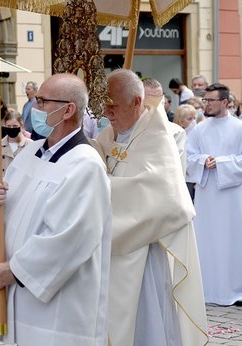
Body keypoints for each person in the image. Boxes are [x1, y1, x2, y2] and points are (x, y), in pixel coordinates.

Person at [0, 73, 112, 345]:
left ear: (68, 109)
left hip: (52, 299)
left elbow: (72, 237)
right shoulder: (30, 151)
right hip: (11, 285)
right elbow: (6, 212)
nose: (34, 108)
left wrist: (16, 270)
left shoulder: (85, 165)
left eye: (42, 101)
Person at [95, 69, 208, 345]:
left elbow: (161, 195)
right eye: (105, 106)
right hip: (111, 246)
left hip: (143, 247)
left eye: (114, 106)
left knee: (145, 321)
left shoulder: (158, 137)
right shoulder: (108, 135)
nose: (107, 114)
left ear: (136, 102)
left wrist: (99, 185)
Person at [187, 83, 242, 306]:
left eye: (211, 100)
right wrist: (202, 161)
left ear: (225, 102)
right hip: (208, 195)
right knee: (207, 240)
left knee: (234, 239)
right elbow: (188, 157)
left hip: (233, 197)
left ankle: (239, 290)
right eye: (205, 100)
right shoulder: (199, 129)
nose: (206, 104)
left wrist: (220, 162)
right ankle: (208, 290)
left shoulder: (241, 129)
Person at [1, 110, 32, 177]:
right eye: (8, 126)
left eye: (15, 126)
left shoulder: (30, 145)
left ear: (21, 126)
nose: (11, 129)